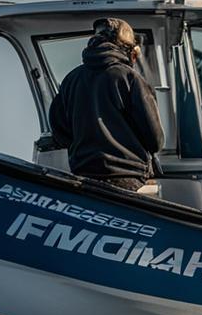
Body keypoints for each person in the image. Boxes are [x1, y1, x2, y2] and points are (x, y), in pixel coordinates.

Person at [48, 18, 164, 191]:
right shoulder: (130, 79)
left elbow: (60, 132)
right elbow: (155, 140)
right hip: (128, 179)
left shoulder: (71, 80)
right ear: (130, 50)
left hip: (83, 178)